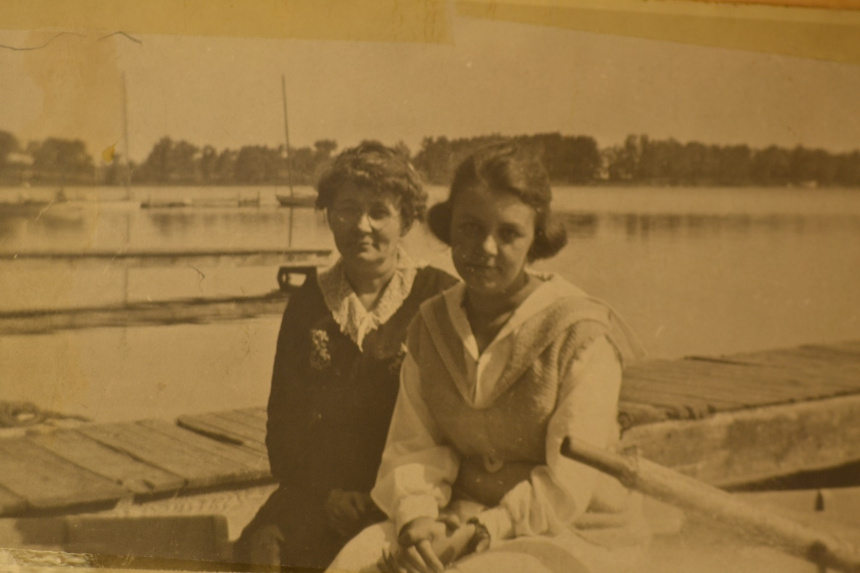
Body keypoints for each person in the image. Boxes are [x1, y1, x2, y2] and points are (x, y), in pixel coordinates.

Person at [327, 144, 649, 573]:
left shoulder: (581, 333)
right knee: (353, 563)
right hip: (459, 516)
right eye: (470, 228)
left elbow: (570, 484)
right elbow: (414, 446)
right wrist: (418, 520)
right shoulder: (432, 325)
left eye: (509, 233)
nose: (486, 248)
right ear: (450, 228)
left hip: (576, 532)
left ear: (537, 236)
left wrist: (483, 530)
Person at [233, 142, 457, 571]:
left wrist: (403, 501)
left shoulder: (439, 298)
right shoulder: (308, 303)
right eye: (347, 210)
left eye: (379, 212)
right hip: (319, 495)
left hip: (412, 500)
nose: (362, 226)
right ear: (329, 216)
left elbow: (459, 426)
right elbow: (282, 426)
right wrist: (326, 496)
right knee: (260, 556)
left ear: (407, 220)